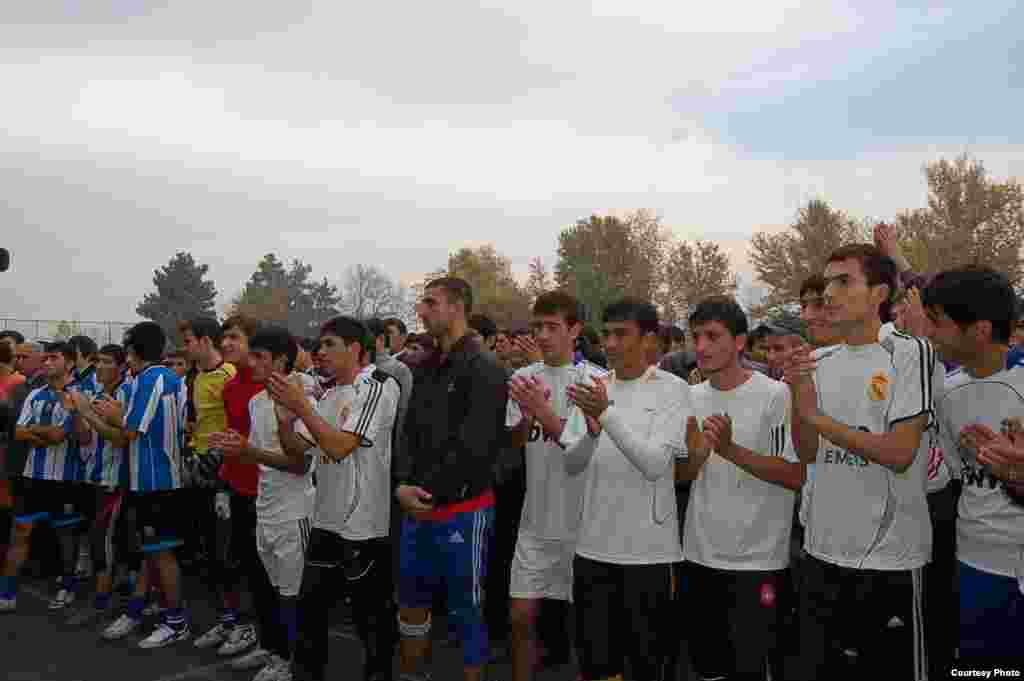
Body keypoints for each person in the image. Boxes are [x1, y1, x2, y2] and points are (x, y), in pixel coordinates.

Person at [785, 244, 940, 681]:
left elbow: (899, 452)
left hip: (888, 560)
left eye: (843, 282)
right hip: (820, 553)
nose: (828, 294)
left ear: (878, 295)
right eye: (826, 283)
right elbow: (809, 451)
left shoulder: (909, 353)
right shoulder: (816, 361)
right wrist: (799, 400)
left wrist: (815, 414)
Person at [565, 298, 694, 681]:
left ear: (649, 340)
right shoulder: (594, 386)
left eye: (622, 334)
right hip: (592, 548)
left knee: (647, 665)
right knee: (597, 665)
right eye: (606, 334)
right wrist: (590, 434)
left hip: (648, 555)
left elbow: (655, 465)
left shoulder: (673, 389)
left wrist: (606, 414)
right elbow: (571, 464)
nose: (611, 343)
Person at [676, 297, 803, 681]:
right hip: (698, 557)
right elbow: (679, 478)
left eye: (713, 336)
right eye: (696, 336)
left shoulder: (775, 395)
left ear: (740, 342)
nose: (701, 346)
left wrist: (731, 450)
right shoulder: (690, 396)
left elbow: (795, 475)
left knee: (753, 669)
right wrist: (696, 459)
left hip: (757, 562)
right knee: (709, 669)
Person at [267, 316, 401, 681]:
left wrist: (304, 407)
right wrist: (284, 417)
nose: (320, 352)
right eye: (319, 345)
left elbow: (340, 447)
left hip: (363, 526)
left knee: (370, 624)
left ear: (355, 349)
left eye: (330, 345)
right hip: (325, 521)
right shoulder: (329, 393)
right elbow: (298, 451)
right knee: (310, 617)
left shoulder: (376, 386)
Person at [394, 277, 508, 681]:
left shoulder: (486, 367)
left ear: (458, 306)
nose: (421, 311)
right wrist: (402, 486)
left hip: (463, 511)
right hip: (416, 508)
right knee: (410, 604)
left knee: (466, 610)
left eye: (430, 302)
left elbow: (476, 448)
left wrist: (427, 493)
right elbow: (407, 434)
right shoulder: (423, 366)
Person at [922, 266, 1024, 662]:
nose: (930, 333)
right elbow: (954, 472)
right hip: (974, 563)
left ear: (979, 330)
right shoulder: (946, 393)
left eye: (938, 322)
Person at [505, 291, 606, 681]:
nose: (543, 335)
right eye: (538, 327)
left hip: (585, 525)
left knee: (585, 629)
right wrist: (523, 415)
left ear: (575, 330)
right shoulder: (522, 378)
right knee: (520, 617)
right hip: (536, 520)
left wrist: (544, 413)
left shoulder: (595, 380)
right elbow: (515, 442)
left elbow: (577, 449)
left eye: (553, 327)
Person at [212, 326, 317, 681]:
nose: (251, 362)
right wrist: (236, 447)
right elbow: (260, 457)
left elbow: (301, 464)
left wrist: (249, 451)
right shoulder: (258, 401)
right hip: (266, 508)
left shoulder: (303, 400)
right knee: (269, 589)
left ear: (281, 361)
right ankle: (273, 650)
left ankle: (291, 662)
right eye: (251, 354)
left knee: (293, 595)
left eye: (260, 357)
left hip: (294, 512)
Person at [92, 321, 190, 648]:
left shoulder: (153, 379)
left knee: (161, 555)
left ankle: (175, 621)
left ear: (133, 350)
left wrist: (104, 412)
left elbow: (131, 430)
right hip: (149, 481)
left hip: (157, 481)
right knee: (152, 553)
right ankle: (142, 609)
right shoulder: (159, 378)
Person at [0, 342, 92, 612]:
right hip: (33, 474)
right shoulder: (35, 394)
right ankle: (7, 592)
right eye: (46, 358)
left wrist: (41, 431)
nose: (48, 362)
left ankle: (67, 585)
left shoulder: (82, 394)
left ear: (69, 363)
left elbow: (73, 436)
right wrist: (44, 432)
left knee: (65, 534)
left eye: (54, 358)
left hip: (65, 477)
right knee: (20, 531)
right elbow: (19, 432)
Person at [65, 343, 133, 627]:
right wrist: (76, 412)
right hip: (96, 476)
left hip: (117, 479)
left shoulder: (126, 394)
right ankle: (117, 598)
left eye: (107, 361)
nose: (101, 367)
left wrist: (88, 412)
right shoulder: (96, 394)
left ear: (121, 366)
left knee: (101, 541)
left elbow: (120, 438)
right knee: (103, 541)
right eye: (98, 361)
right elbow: (84, 438)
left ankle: (103, 603)